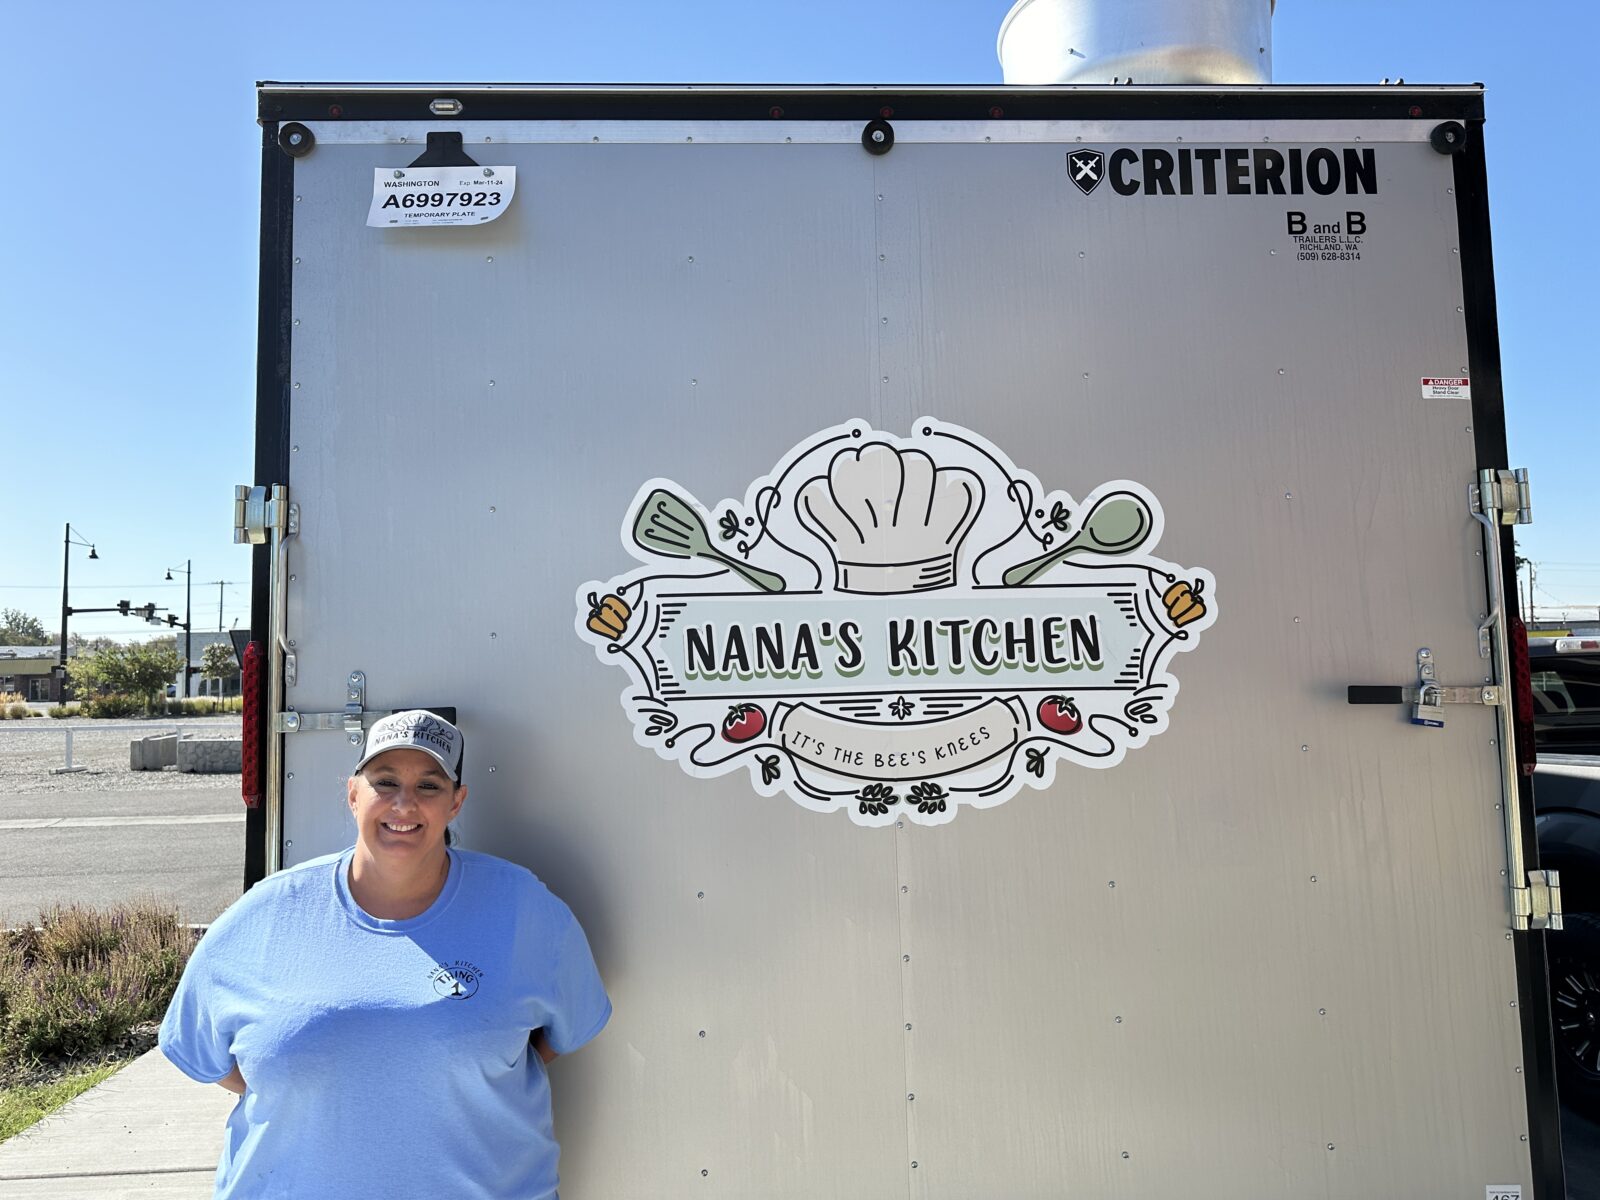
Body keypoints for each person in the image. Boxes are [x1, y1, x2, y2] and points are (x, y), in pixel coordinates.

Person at [160, 710, 610, 1199]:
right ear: (353, 794)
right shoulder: (266, 914)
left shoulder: (523, 907)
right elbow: (210, 1060)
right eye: (385, 781)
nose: (404, 803)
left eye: (430, 786)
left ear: (457, 803)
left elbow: (557, 1037)